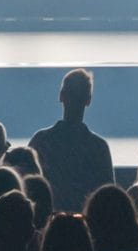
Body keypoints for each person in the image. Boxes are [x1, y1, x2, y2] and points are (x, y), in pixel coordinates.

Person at [26, 71, 114, 216]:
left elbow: (27, 186)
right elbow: (108, 196)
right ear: (88, 100)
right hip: (85, 224)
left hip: (48, 223)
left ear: (61, 96)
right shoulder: (98, 148)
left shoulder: (41, 141)